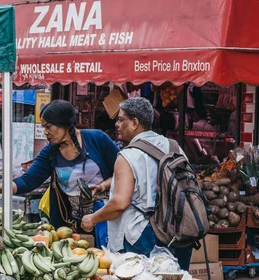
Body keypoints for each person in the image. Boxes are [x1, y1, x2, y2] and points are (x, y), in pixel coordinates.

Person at [0, 100, 120, 247]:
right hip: (71, 226)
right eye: (44, 127)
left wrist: (101, 187)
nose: (45, 132)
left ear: (64, 124)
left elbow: (123, 175)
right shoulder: (51, 151)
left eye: (48, 127)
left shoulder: (97, 139)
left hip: (106, 219)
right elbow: (28, 180)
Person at [81, 97, 193, 270]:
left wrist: (93, 219)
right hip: (177, 230)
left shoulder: (128, 155)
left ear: (134, 123)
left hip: (142, 235)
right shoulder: (173, 147)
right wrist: (105, 185)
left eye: (120, 119)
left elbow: (119, 203)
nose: (117, 124)